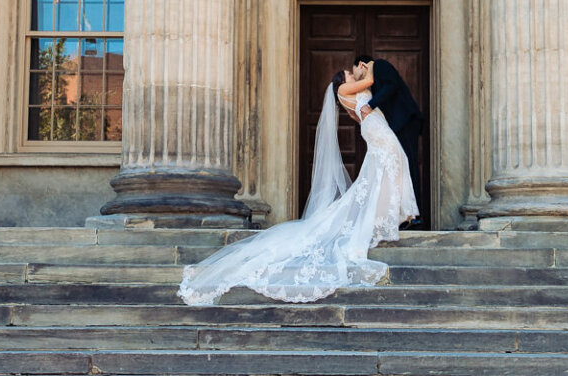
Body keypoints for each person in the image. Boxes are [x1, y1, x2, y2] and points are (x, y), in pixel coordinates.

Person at [178, 59, 418, 306]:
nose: (352, 74)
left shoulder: (350, 92)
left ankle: (384, 215)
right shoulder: (343, 90)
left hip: (375, 127)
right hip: (376, 129)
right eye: (348, 74)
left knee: (384, 170)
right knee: (384, 168)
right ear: (340, 82)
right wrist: (371, 66)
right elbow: (369, 81)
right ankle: (381, 217)